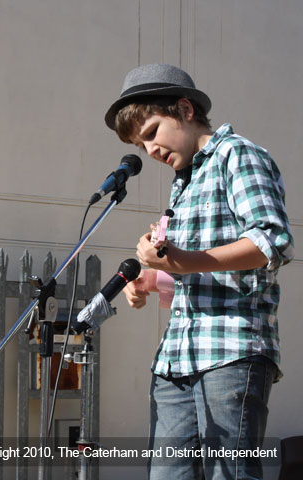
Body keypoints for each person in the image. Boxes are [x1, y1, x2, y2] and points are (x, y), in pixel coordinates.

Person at [104, 64, 294, 479]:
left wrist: (183, 260)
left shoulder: (238, 155)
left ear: (185, 109)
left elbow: (271, 242)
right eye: (141, 144)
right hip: (176, 358)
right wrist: (150, 278)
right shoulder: (183, 182)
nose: (150, 150)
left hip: (231, 352)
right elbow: (195, 267)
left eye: (152, 132)